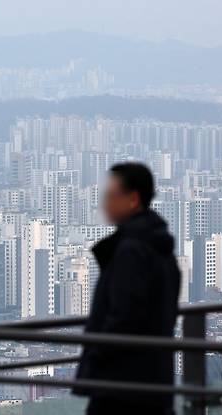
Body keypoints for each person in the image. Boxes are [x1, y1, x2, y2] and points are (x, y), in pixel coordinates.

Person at [75, 163, 181, 415]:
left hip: (122, 383)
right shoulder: (160, 246)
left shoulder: (131, 250)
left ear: (133, 199)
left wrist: (97, 354)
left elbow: (124, 315)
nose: (104, 204)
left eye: (111, 196)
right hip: (154, 378)